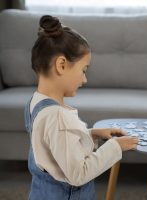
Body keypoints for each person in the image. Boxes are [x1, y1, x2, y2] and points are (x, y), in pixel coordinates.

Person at [24, 15, 139, 200]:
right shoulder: (58, 116)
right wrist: (115, 147)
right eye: (84, 70)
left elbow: (56, 145)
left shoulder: (35, 102)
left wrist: (92, 133)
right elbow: (78, 174)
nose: (85, 79)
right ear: (61, 65)